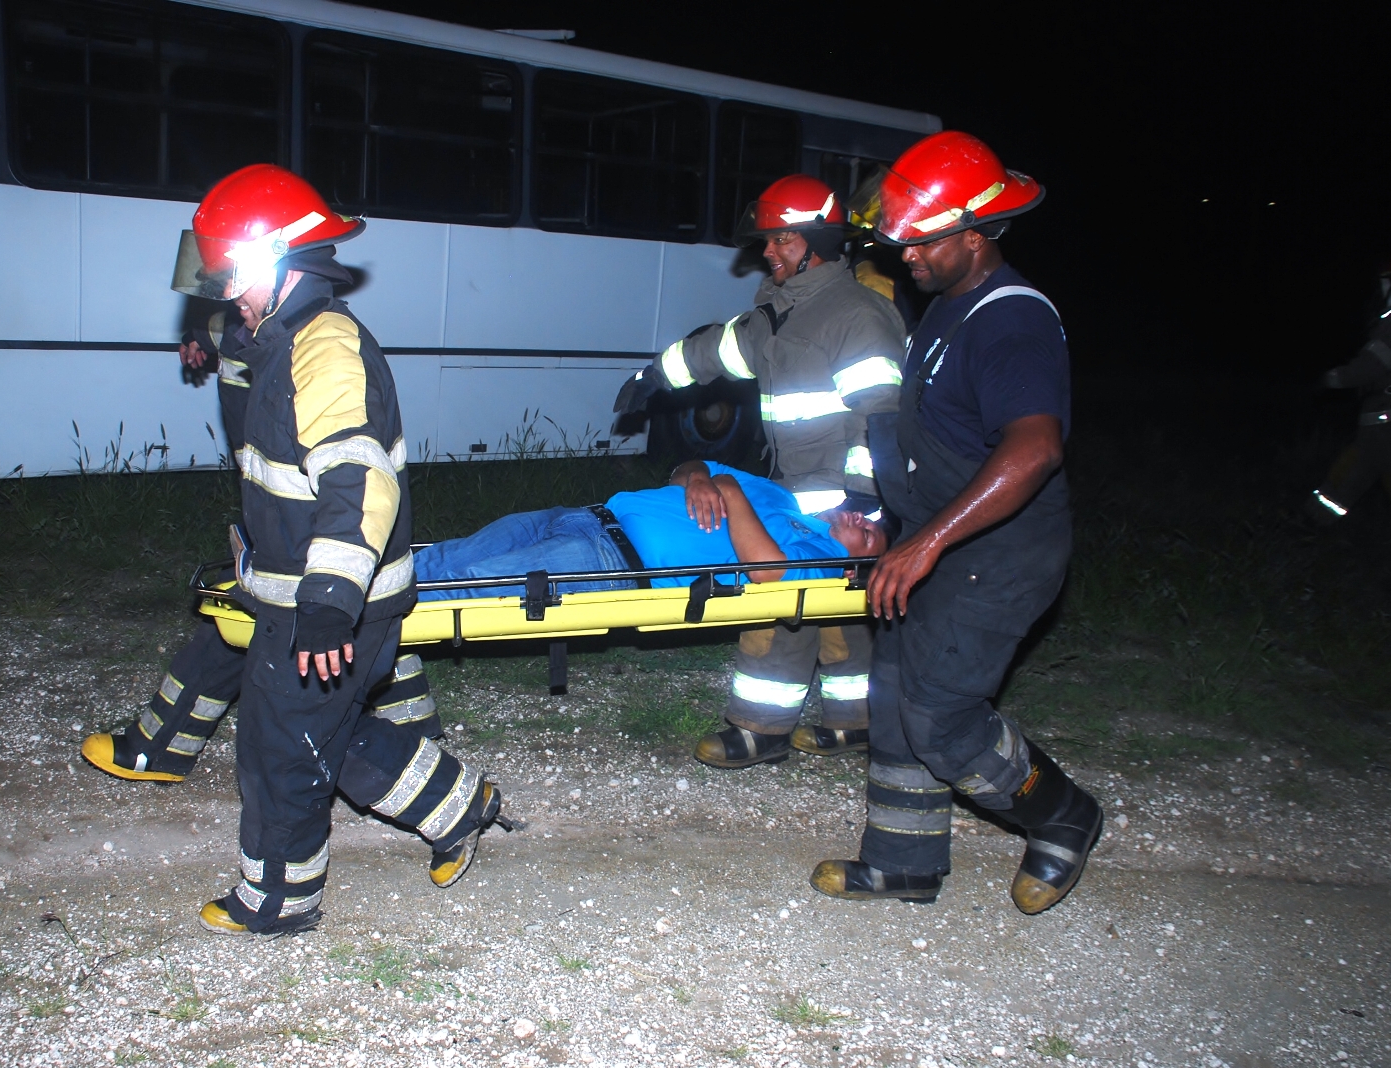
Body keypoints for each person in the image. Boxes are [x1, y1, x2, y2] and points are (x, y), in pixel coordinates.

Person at [162, 164, 506, 935]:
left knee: (279, 751)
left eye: (234, 279)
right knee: (328, 732)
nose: (227, 297)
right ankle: (460, 804)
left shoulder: (325, 348)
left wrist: (326, 604)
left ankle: (280, 903)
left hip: (331, 604)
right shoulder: (282, 337)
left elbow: (358, 483)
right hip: (320, 598)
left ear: (277, 266)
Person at [810, 131, 1102, 916]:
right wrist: (887, 524)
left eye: (921, 240)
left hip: (997, 556)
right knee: (895, 694)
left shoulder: (1011, 322)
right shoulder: (946, 308)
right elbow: (929, 436)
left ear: (975, 235)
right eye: (898, 237)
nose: (904, 253)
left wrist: (929, 541)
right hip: (935, 547)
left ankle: (1064, 815)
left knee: (942, 716)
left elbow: (1034, 448)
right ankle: (903, 862)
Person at [615, 174, 906, 768]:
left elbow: (881, 417)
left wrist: (864, 498)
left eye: (780, 240)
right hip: (796, 490)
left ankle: (763, 729)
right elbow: (716, 351)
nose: (767, 252)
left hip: (843, 500)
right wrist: (654, 378)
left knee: (788, 611)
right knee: (829, 615)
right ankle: (855, 723)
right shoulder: (779, 313)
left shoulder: (857, 316)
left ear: (815, 242)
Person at [80, 317, 441, 785]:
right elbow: (232, 326)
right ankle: (417, 739)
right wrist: (199, 334)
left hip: (310, 521)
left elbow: (355, 480)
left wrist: (331, 590)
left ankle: (160, 747)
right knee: (341, 635)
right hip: (284, 510)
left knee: (292, 638)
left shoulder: (315, 337)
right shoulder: (254, 312)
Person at [412, 460, 886, 600]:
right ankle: (345, 583)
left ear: (851, 565)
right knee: (444, 558)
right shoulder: (782, 499)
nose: (861, 520)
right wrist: (701, 476)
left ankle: (353, 624)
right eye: (868, 520)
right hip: (583, 514)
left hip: (611, 561)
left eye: (866, 536)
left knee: (466, 581)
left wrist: (727, 489)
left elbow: (768, 573)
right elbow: (685, 468)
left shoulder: (818, 562)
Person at [1308, 258, 1391, 531]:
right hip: (1386, 423)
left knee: (1349, 478)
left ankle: (1307, 533)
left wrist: (1330, 379)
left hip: (1390, 424)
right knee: (1344, 482)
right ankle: (1307, 534)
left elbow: (1369, 367)